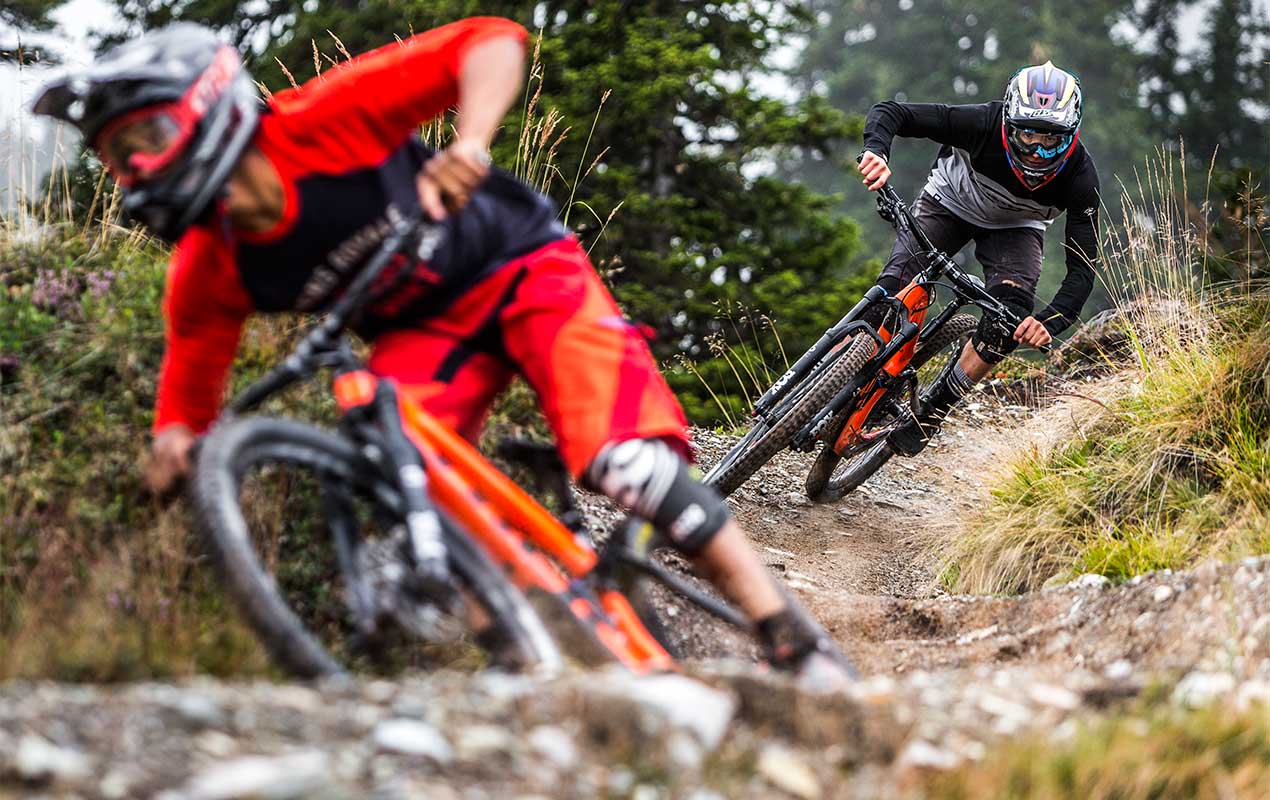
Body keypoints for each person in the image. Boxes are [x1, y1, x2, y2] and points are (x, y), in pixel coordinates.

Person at [33, 18, 852, 682]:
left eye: (147, 135)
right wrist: (172, 452)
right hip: (425, 331)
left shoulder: (320, 120)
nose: (133, 168)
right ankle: (519, 654)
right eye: (115, 154)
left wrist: (472, 143)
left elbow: (489, 39)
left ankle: (788, 634)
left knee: (621, 463)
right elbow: (187, 400)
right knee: (403, 490)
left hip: (525, 267)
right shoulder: (207, 269)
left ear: (210, 107)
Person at [856, 62, 1100, 454]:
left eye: (1051, 140)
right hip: (949, 202)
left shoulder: (1080, 177)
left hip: (1017, 228)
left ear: (1071, 135)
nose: (1038, 152)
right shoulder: (981, 122)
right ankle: (831, 375)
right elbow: (892, 112)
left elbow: (1083, 269)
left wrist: (1047, 322)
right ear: (1007, 121)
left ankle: (932, 411)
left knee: (1005, 322)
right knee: (891, 291)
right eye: (1027, 135)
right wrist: (876, 152)